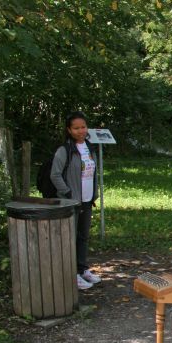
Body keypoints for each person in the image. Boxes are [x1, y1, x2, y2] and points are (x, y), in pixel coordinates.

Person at [50, 111, 100, 291]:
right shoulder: (65, 150)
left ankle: (82, 269)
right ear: (69, 130)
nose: (81, 131)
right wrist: (68, 193)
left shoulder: (89, 147)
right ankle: (72, 275)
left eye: (83, 127)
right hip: (71, 202)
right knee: (70, 237)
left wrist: (94, 193)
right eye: (76, 128)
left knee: (83, 236)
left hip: (87, 200)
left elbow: (93, 172)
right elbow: (55, 175)